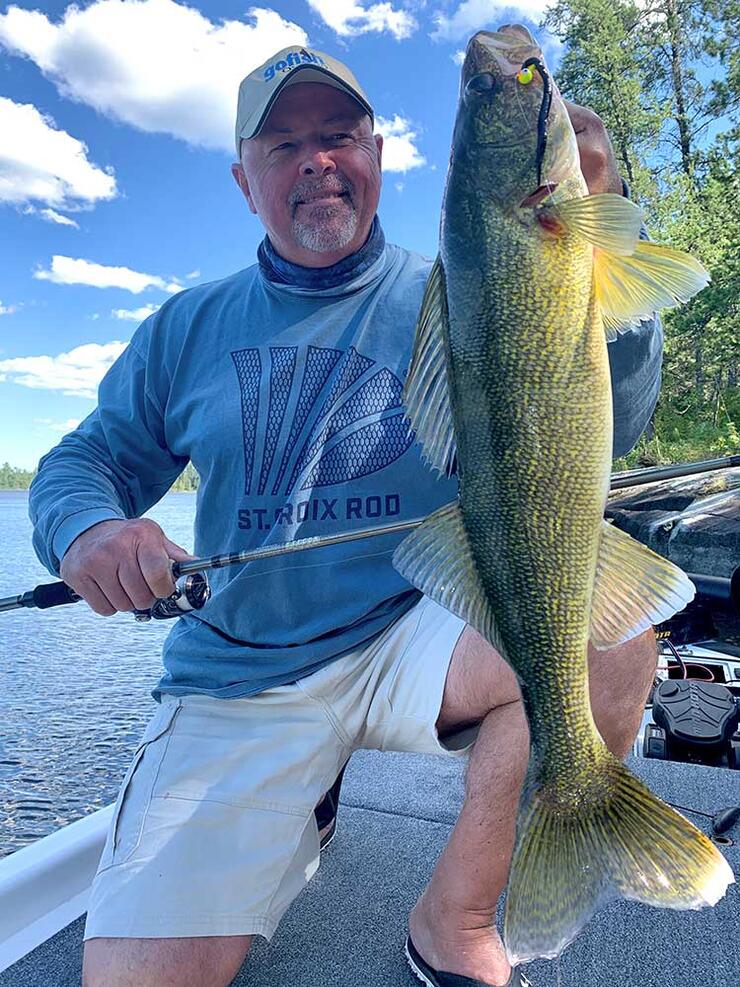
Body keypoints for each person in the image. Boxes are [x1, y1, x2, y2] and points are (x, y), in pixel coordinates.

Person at [29, 32, 664, 987]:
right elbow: (84, 460)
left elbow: (613, 405)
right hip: (244, 673)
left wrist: (604, 218)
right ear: (244, 180)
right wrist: (89, 529)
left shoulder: (461, 283)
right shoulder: (187, 325)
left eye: (338, 133)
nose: (315, 161)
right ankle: (300, 791)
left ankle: (454, 920)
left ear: (376, 153)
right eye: (282, 145)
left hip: (414, 635)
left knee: (607, 632)